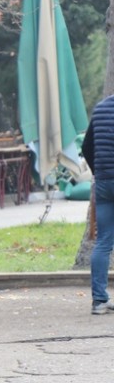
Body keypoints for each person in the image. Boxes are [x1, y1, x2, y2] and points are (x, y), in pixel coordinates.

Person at [82, 96, 114, 315]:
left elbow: (86, 146)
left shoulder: (100, 108)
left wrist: (99, 172)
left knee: (103, 241)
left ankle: (99, 301)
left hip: (104, 183)